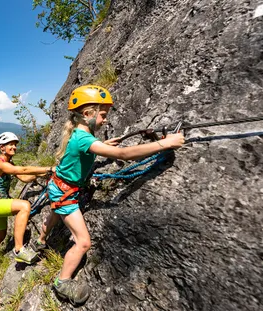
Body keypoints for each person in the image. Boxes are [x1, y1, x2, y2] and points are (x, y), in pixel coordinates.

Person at [33, 85, 185, 305]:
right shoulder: (84, 139)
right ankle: (62, 282)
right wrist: (165, 143)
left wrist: (101, 145)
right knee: (83, 242)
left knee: (55, 213)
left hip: (59, 188)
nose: (105, 120)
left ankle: (40, 240)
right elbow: (123, 154)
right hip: (65, 193)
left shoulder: (80, 135)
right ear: (87, 114)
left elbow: (83, 149)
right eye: (103, 115)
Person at [0, 132, 55, 278]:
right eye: (10, 144)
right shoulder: (0, 163)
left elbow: (24, 177)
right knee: (24, 206)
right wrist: (49, 169)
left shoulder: (9, 163)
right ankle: (19, 250)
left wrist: (40, 175)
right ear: (2, 147)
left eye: (15, 144)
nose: (14, 147)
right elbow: (22, 170)